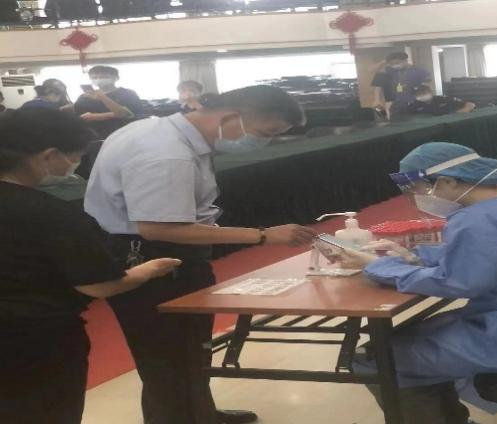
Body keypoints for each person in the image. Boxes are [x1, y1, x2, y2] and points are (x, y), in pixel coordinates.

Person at [84, 85, 317, 424]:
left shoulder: (159, 129)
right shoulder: (166, 153)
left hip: (157, 249)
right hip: (152, 257)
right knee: (167, 355)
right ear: (231, 117)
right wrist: (263, 235)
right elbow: (159, 228)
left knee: (191, 347)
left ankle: (199, 412)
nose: (264, 142)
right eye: (267, 133)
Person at [337, 142, 497, 424]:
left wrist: (380, 266)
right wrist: (412, 256)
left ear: (448, 181)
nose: (415, 197)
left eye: (418, 188)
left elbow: (460, 282)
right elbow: (496, 252)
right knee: (409, 341)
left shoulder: (473, 220)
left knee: (379, 357)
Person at [0, 108, 181, 424]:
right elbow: (99, 285)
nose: (75, 165)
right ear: (49, 156)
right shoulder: (50, 214)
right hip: (32, 341)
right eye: (75, 157)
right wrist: (147, 270)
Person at [75, 65, 145, 138]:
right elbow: (78, 116)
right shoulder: (85, 96)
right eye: (94, 77)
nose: (99, 79)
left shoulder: (128, 94)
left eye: (104, 77)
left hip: (123, 134)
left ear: (116, 78)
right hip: (93, 136)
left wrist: (95, 114)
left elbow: (129, 114)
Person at [371, 51, 431, 119]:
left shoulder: (418, 70)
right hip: (395, 103)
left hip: (414, 101)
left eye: (397, 63)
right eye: (392, 63)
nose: (395, 65)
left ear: (405, 61)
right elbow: (371, 70)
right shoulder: (390, 70)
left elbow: (427, 85)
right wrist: (385, 61)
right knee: (392, 120)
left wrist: (424, 95)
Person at [402, 85, 475, 116]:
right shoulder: (414, 105)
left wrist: (455, 115)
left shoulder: (443, 99)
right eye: (418, 94)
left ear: (430, 92)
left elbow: (470, 105)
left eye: (424, 93)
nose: (421, 95)